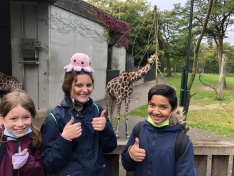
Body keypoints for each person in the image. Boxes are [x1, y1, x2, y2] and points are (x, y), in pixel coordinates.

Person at [41, 53, 117, 176]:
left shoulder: (98, 112)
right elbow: (49, 165)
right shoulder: (55, 118)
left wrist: (105, 129)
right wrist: (64, 139)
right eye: (79, 85)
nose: (85, 90)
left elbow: (110, 147)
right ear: (68, 85)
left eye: (89, 85)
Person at [121, 84, 195, 176]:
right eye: (152, 105)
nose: (156, 112)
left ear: (173, 109)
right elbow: (127, 166)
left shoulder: (182, 142)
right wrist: (130, 154)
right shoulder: (139, 130)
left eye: (163, 107)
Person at [0, 89, 45, 176]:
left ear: (32, 117)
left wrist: (27, 163)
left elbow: (41, 172)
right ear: (2, 119)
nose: (20, 124)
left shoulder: (36, 139)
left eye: (25, 117)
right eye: (13, 119)